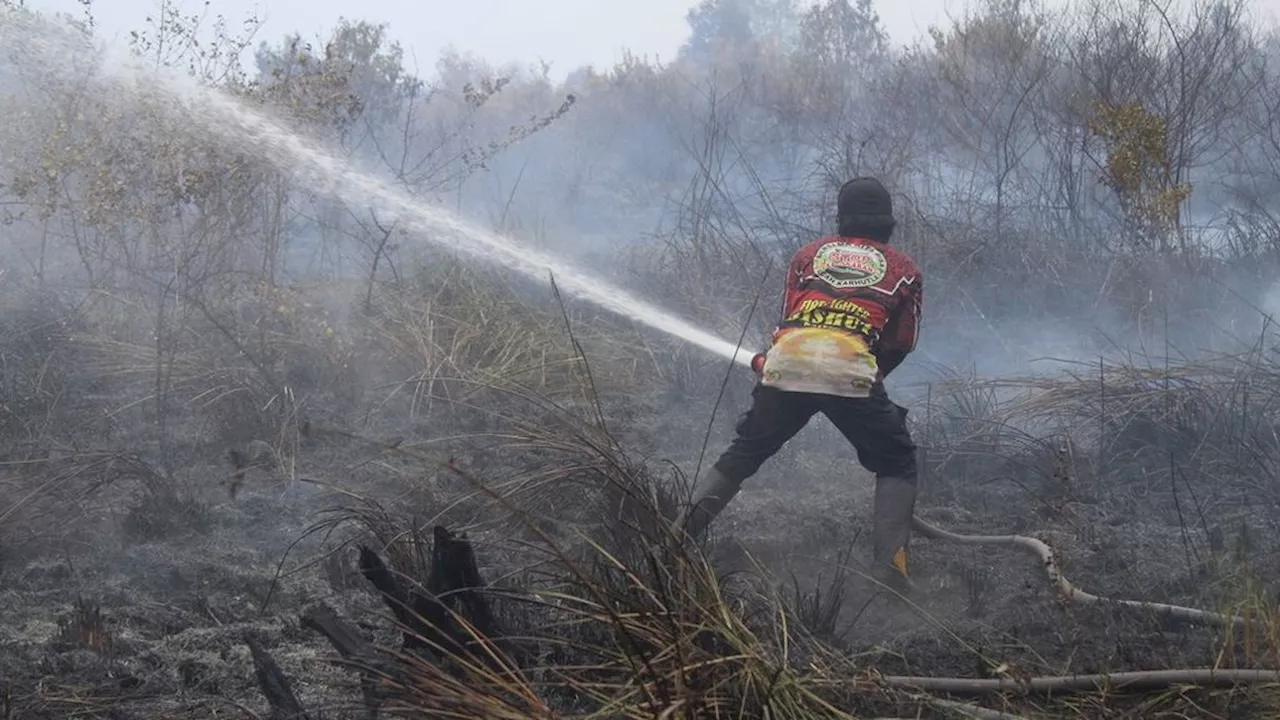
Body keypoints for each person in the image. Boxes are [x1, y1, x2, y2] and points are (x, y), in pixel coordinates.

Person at [674, 176, 924, 593]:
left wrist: (785, 367)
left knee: (744, 453)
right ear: (889, 223)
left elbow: (792, 318)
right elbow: (903, 342)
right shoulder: (905, 269)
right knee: (897, 462)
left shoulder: (808, 255)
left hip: (788, 361)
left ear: (841, 219)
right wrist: (870, 375)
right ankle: (890, 575)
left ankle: (672, 540)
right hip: (850, 370)